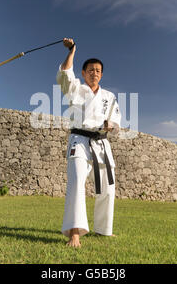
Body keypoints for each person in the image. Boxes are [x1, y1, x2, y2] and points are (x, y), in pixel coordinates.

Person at [56, 38, 121, 248]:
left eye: (98, 70)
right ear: (83, 73)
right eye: (91, 70)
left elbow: (117, 120)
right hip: (80, 141)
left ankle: (104, 229)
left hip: (101, 143)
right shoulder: (75, 88)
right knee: (76, 184)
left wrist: (111, 124)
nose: (95, 73)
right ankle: (74, 232)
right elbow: (65, 73)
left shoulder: (109, 96)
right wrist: (72, 51)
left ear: (101, 74)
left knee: (108, 188)